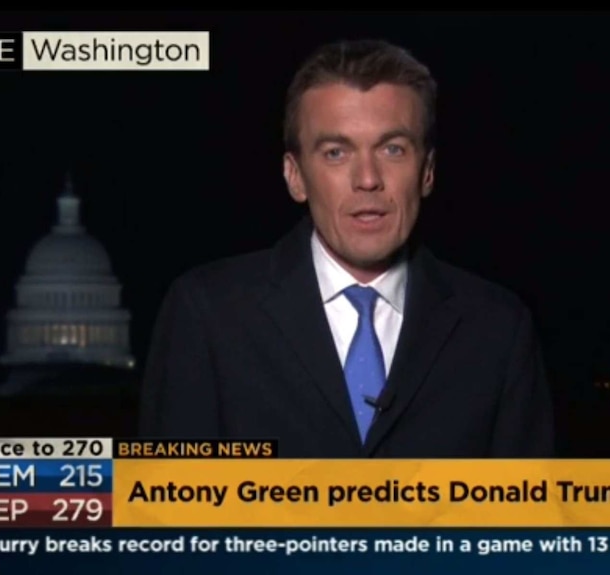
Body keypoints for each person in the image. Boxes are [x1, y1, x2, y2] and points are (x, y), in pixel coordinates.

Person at [139, 39, 554, 457]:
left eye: (392, 149)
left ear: (427, 172)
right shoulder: (208, 314)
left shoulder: (499, 330)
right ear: (295, 176)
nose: (368, 179)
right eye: (336, 153)